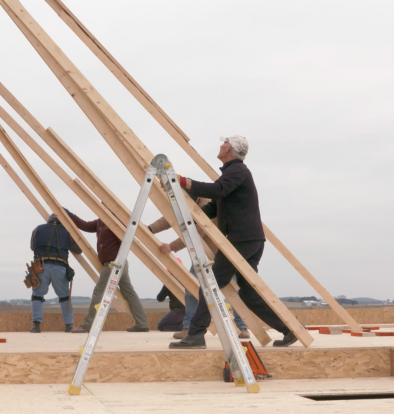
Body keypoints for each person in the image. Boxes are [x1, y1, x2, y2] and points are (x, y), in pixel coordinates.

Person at [168, 136, 299, 349]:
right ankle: (290, 330)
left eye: (222, 144)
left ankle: (196, 335)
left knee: (210, 284)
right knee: (248, 294)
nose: (219, 146)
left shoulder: (238, 171)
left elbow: (217, 191)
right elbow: (216, 206)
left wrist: (184, 182)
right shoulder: (232, 174)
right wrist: (193, 215)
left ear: (228, 149)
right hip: (249, 240)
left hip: (242, 240)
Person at [148, 199, 251, 340]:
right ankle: (189, 326)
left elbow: (197, 231)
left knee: (232, 290)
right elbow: (169, 218)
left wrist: (172, 246)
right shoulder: (184, 200)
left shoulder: (204, 203)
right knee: (192, 289)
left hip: (220, 253)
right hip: (202, 255)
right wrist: (150, 229)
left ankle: (241, 326)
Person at [68, 211, 149, 333]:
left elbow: (125, 242)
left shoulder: (115, 223)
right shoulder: (100, 222)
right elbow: (84, 225)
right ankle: (142, 324)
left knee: (99, 292)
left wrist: (117, 261)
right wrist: (70, 214)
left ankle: (88, 324)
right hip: (116, 264)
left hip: (114, 264)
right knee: (129, 293)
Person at [29, 212, 82, 333]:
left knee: (37, 294)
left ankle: (36, 325)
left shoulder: (38, 229)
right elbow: (78, 250)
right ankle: (69, 325)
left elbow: (33, 247)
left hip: (40, 266)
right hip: (60, 266)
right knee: (64, 296)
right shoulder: (67, 231)